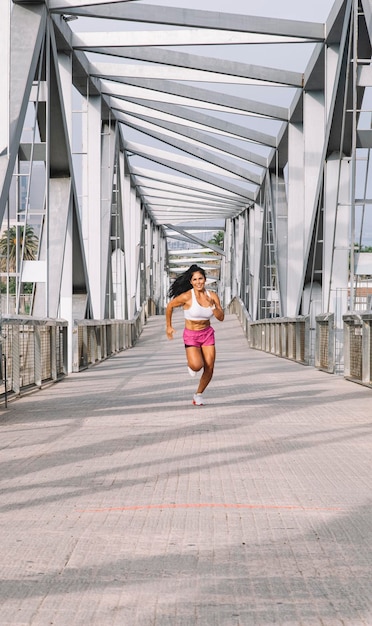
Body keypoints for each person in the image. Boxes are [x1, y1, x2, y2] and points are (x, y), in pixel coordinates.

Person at [166, 264, 224, 406]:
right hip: (191, 335)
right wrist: (169, 326)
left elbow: (221, 317)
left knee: (209, 366)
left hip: (207, 333)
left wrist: (212, 306)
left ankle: (198, 394)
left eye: (201, 278)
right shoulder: (187, 296)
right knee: (197, 365)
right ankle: (192, 364)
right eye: (195, 279)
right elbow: (170, 306)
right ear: (191, 282)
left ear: (205, 279)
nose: (198, 282)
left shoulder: (212, 296)